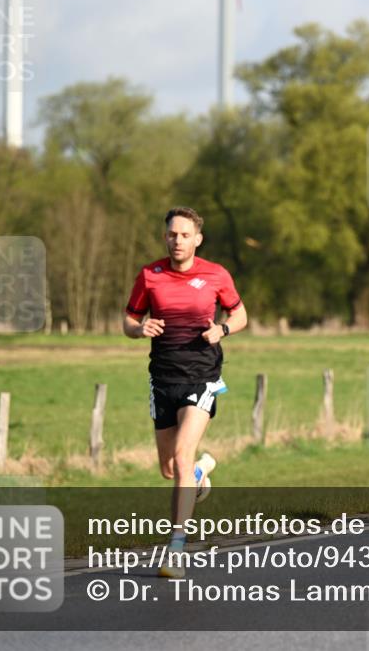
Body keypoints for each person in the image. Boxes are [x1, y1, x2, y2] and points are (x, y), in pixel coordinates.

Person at [123, 207, 247, 577]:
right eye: (172, 234)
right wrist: (139, 329)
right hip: (162, 378)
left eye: (184, 235)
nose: (177, 240)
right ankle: (201, 471)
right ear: (166, 237)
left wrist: (221, 330)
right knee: (169, 468)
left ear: (197, 239)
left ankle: (175, 548)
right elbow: (128, 320)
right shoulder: (150, 275)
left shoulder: (216, 274)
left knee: (180, 453)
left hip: (202, 377)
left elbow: (240, 315)